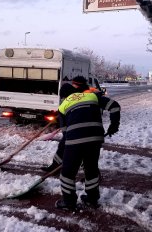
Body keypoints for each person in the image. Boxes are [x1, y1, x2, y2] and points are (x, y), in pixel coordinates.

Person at [54, 76, 121, 211]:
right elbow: (114, 107)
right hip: (96, 137)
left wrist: (63, 156)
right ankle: (92, 198)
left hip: (75, 139)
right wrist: (114, 126)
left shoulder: (63, 105)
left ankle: (69, 203)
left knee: (67, 173)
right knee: (91, 168)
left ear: (64, 96)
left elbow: (65, 133)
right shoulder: (92, 96)